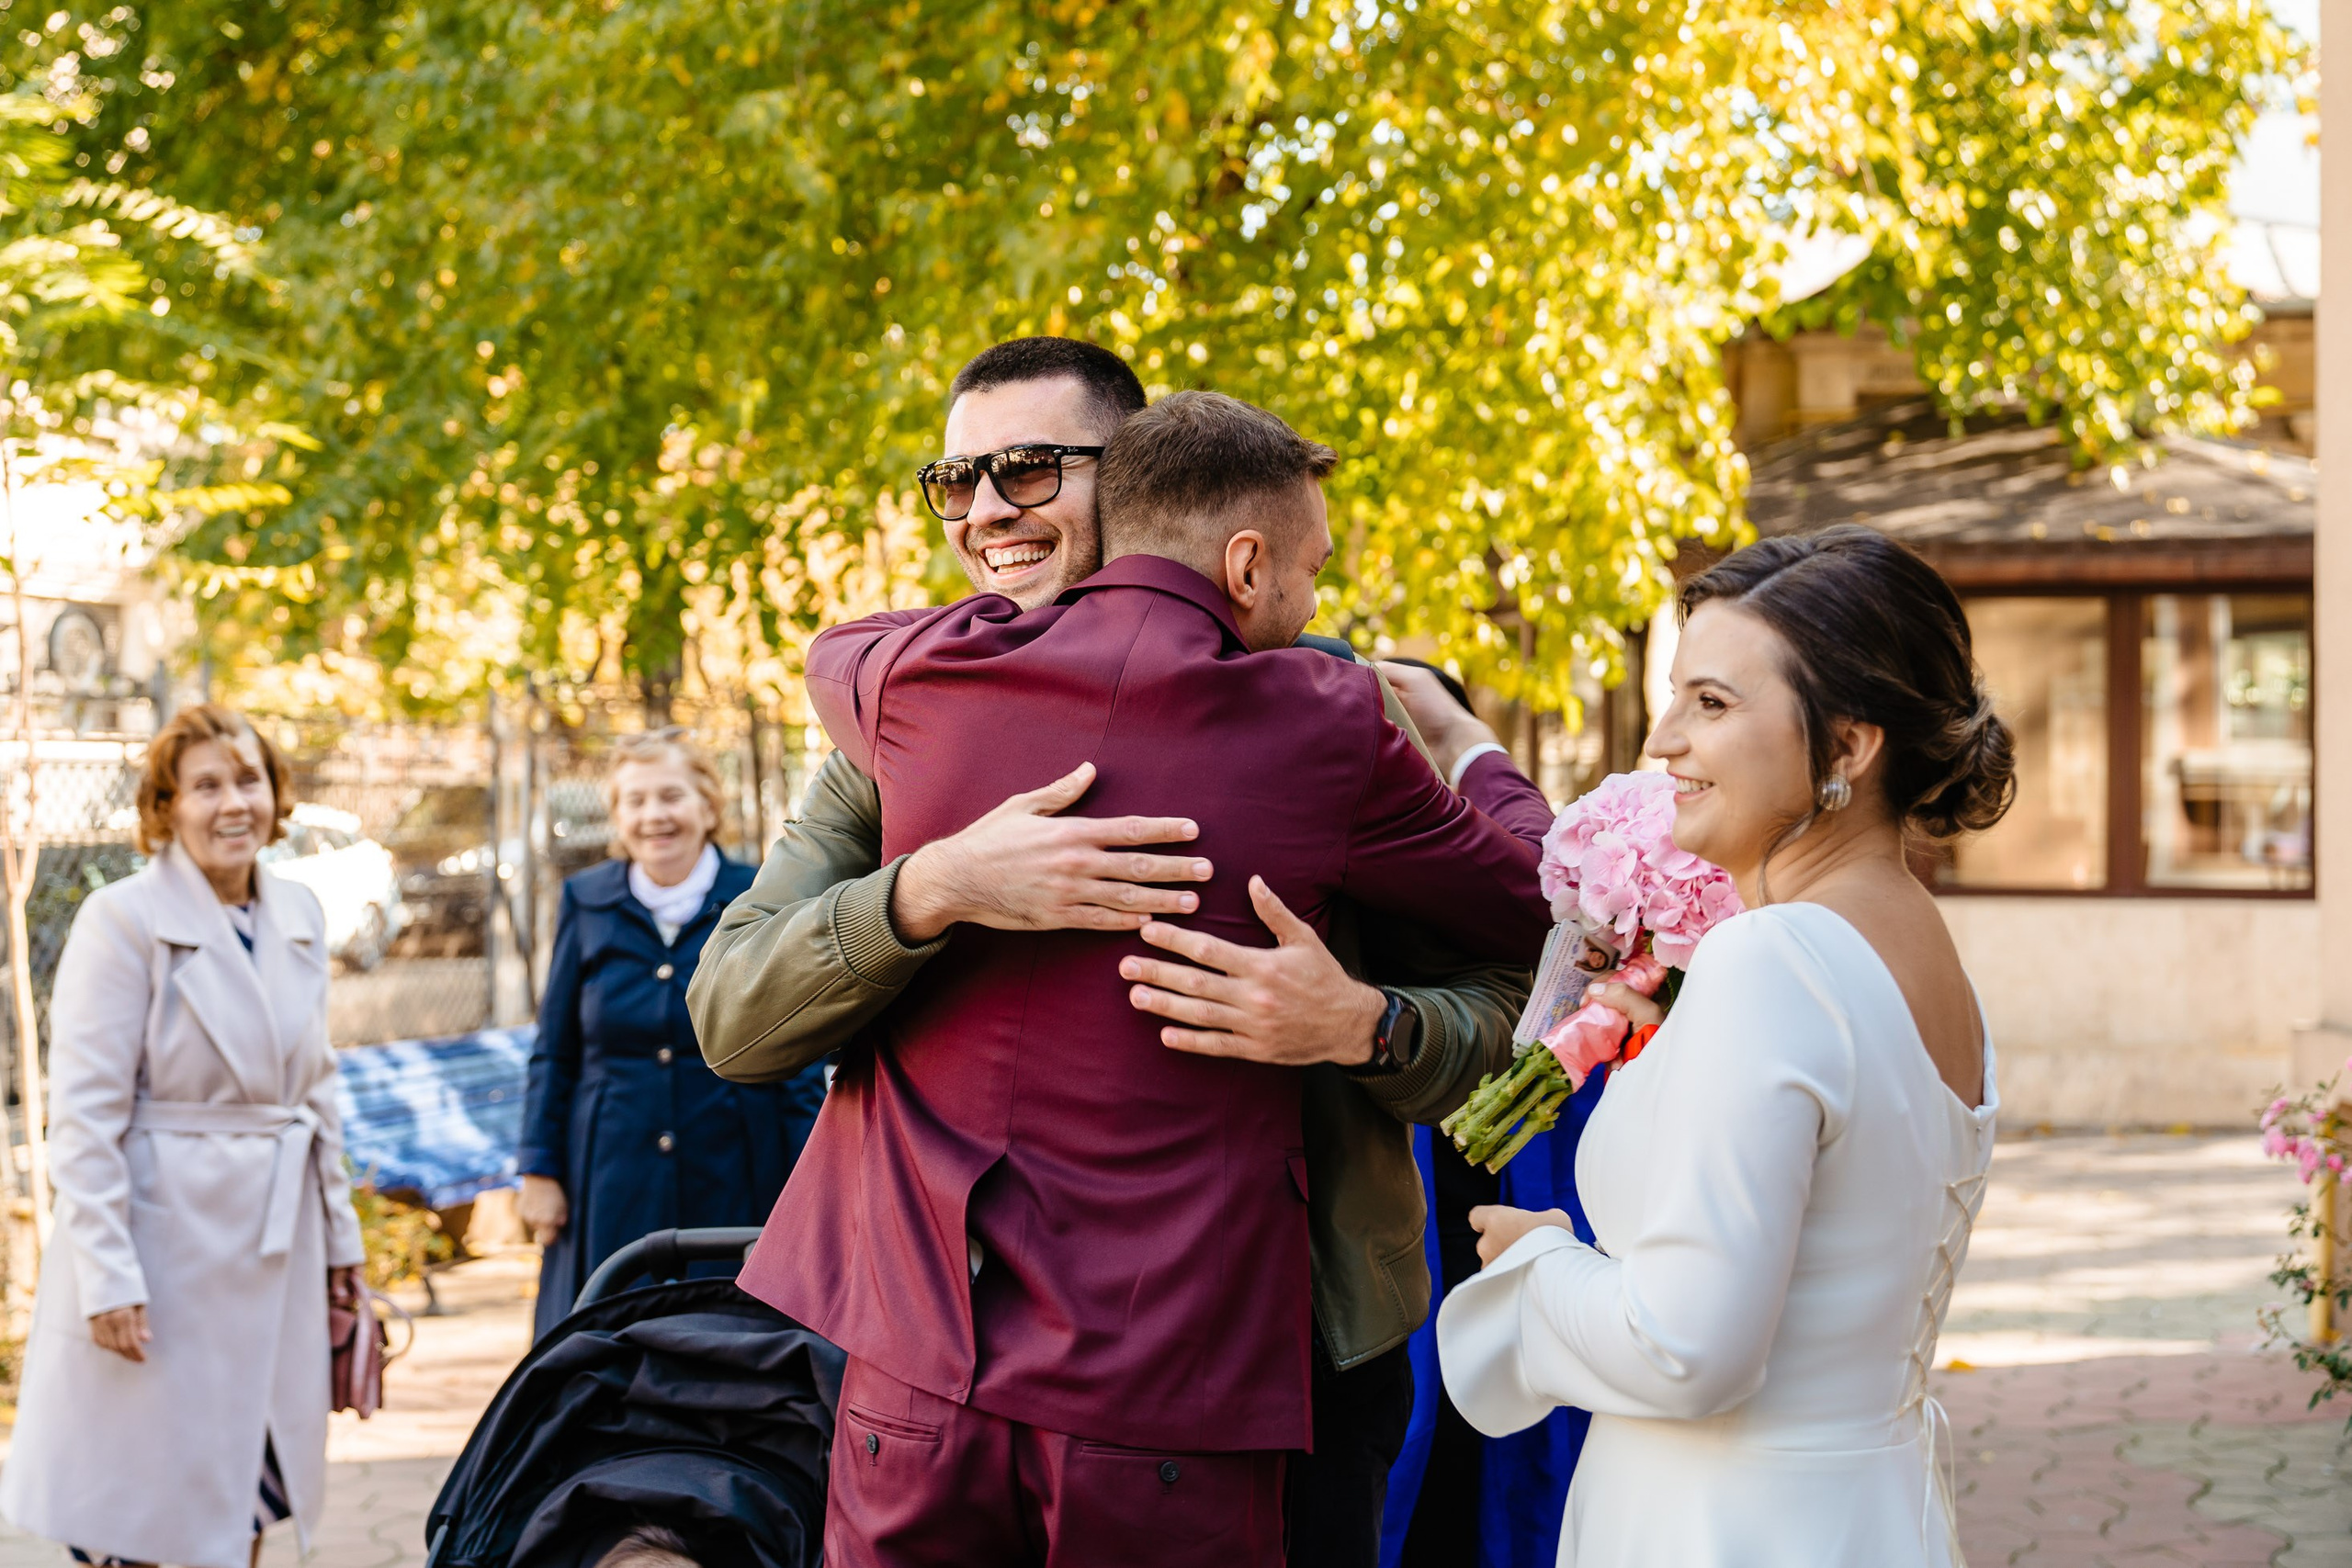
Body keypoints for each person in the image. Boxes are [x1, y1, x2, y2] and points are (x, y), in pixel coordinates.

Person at [689, 337, 1547, 1566]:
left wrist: (1367, 1025)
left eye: (1031, 469)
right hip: (938, 1370)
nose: (988, 510)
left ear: (1135, 476)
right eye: (957, 479)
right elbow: (732, 1016)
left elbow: (1534, 1037)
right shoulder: (903, 717)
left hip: (1267, 1383)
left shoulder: (1337, 708)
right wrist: (930, 888)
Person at [1436, 525, 2014, 1566]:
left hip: (1725, 1523)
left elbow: (1685, 1351)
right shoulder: (1929, 956)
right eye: (1675, 696)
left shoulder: (1770, 960)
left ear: (1847, 745)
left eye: (1710, 704)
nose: (1662, 742)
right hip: (1873, 1513)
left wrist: (1537, 1266)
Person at [0, 704, 368, 1568]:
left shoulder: (300, 912)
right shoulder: (120, 919)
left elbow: (315, 1091)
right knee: (140, 1506)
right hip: (158, 1260)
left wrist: (342, 1247)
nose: (232, 802)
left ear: (277, 796)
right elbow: (85, 1118)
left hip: (275, 1251)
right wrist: (106, 1276)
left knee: (242, 1489)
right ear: (165, 807)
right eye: (205, 785)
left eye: (249, 779)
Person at [517, 730, 823, 1338]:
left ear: (707, 806)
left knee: (732, 1338)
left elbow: (797, 1055)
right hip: (609, 1170)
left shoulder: (760, 895)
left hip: (737, 1161)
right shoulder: (586, 899)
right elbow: (556, 1047)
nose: (654, 814)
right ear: (617, 816)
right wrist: (538, 1170)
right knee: (603, 1343)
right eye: (635, 800)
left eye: (671, 796)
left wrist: (813, 1183)